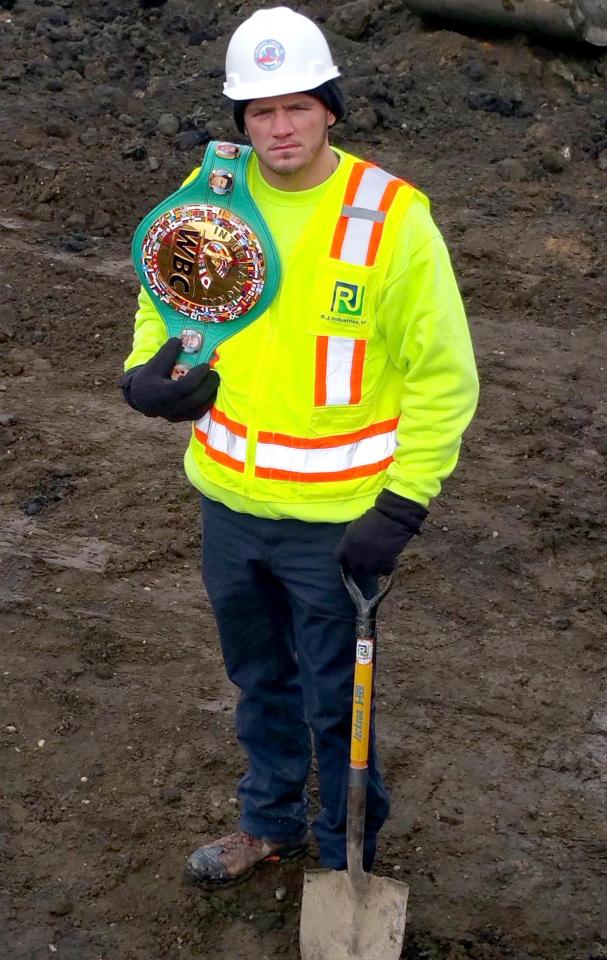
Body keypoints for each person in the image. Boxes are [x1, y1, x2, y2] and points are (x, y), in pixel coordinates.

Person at [120, 6, 479, 885]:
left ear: (329, 108)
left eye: (297, 108)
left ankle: (344, 850)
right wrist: (145, 377)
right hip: (230, 507)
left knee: (336, 701)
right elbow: (162, 307)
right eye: (259, 111)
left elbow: (444, 374)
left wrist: (402, 503)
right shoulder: (211, 199)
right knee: (259, 681)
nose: (278, 129)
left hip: (337, 521)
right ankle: (268, 821)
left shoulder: (390, 218)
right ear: (240, 119)